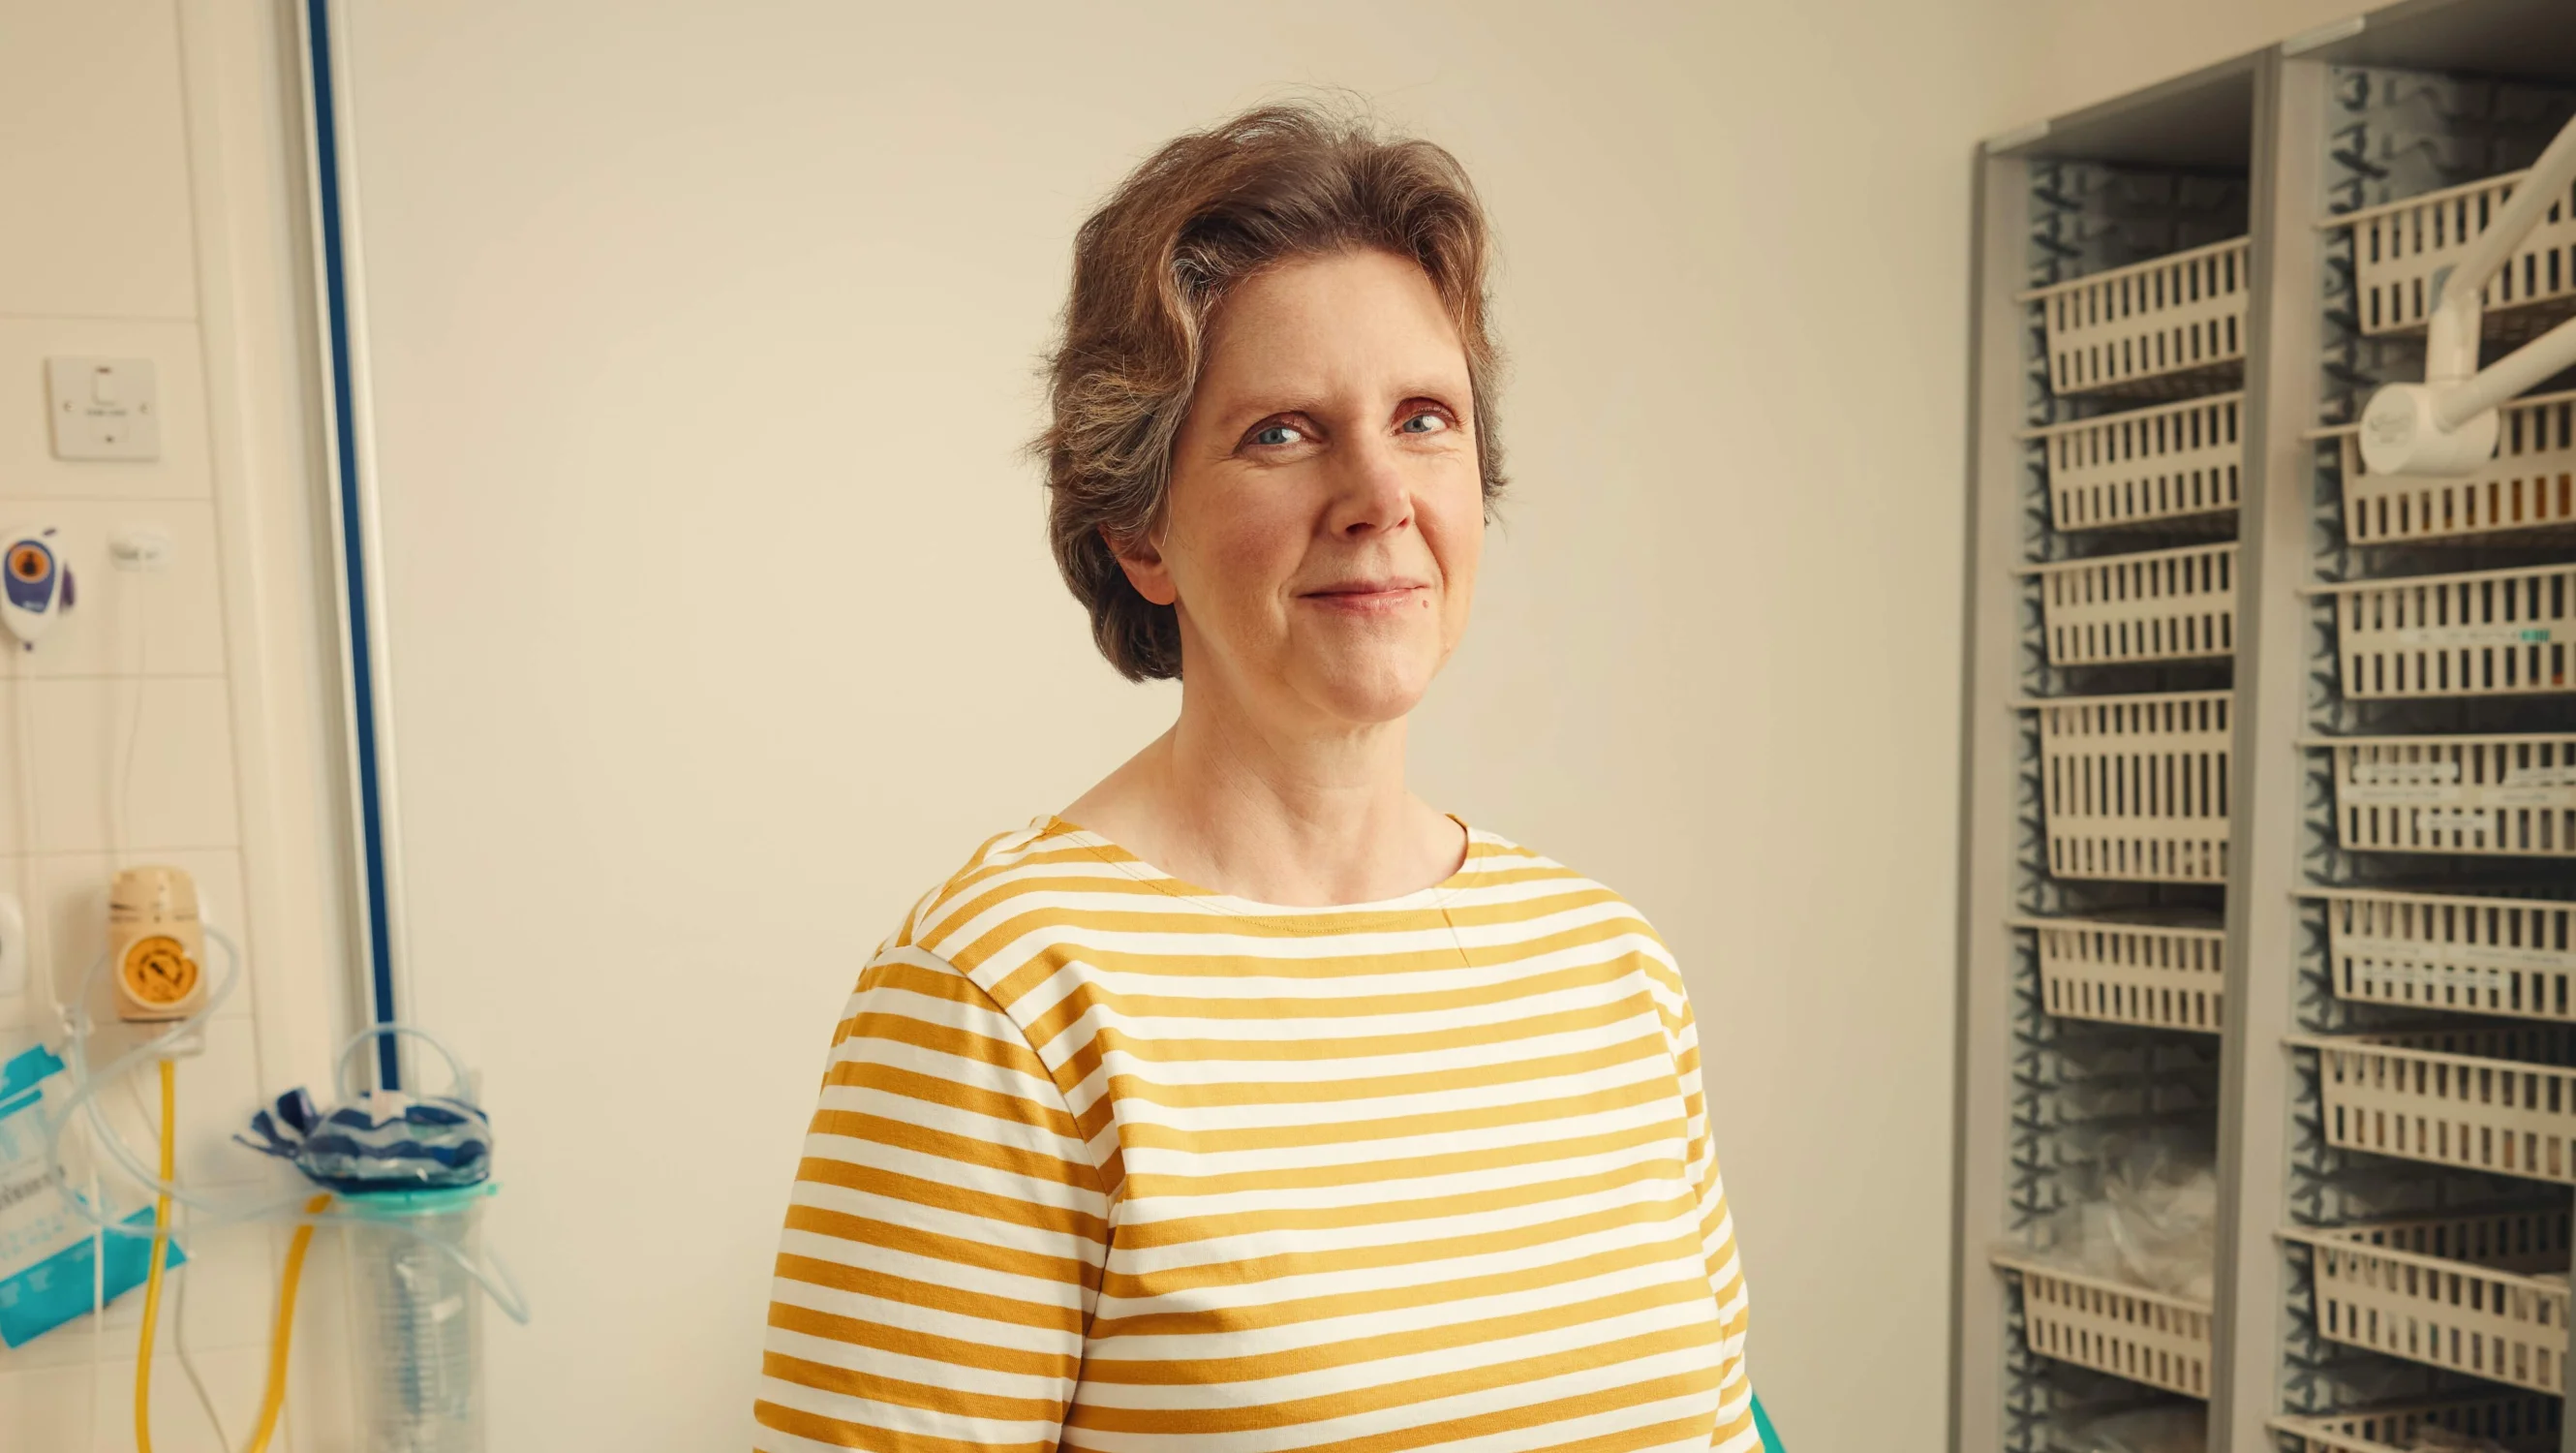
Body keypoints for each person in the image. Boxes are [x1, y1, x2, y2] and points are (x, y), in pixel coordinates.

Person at [751, 102, 1764, 1452]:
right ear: (1140, 533)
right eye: (1283, 433)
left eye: (1423, 419)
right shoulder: (1005, 995)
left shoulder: (1609, 973)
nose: (1377, 494)